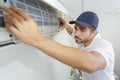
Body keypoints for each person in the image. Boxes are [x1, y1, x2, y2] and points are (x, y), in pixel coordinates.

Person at [2, 6, 115, 80]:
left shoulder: (105, 46)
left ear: (94, 32)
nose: (76, 34)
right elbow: (72, 32)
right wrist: (66, 25)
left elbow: (91, 64)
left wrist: (37, 39)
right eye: (76, 28)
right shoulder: (82, 38)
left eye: (82, 30)